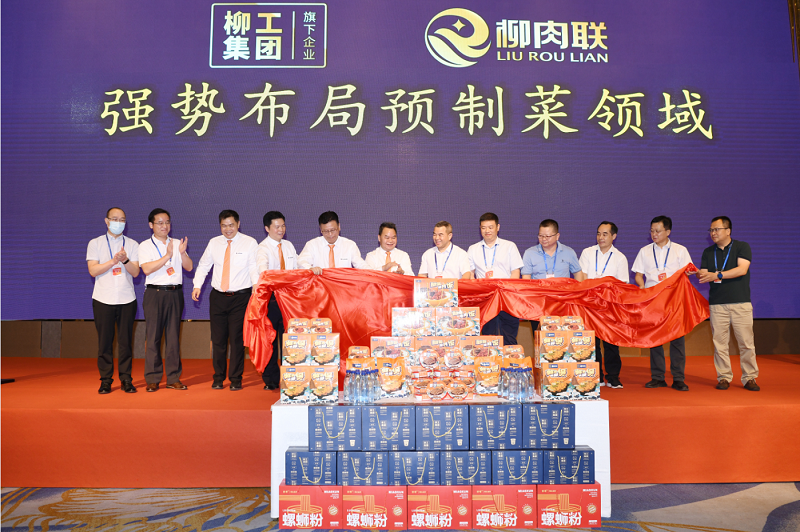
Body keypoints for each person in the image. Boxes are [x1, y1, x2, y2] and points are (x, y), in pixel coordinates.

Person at [193, 210, 260, 391]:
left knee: (237, 340)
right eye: (224, 225)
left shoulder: (250, 242)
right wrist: (197, 285)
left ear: (238, 224)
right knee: (218, 340)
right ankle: (218, 377)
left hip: (240, 297)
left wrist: (256, 285)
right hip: (218, 297)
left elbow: (254, 267)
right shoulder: (214, 243)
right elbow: (204, 265)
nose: (228, 229)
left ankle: (236, 378)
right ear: (220, 226)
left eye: (231, 225)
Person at [695, 216, 759, 391]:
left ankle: (749, 377)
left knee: (746, 343)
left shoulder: (741, 246)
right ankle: (723, 377)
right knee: (720, 344)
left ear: (728, 231)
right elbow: (705, 274)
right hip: (717, 304)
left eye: (716, 229)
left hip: (740, 303)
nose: (713, 233)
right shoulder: (708, 252)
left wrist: (718, 275)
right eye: (711, 230)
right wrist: (697, 273)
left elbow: (742, 269)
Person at [632, 215, 694, 392]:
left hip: (674, 300)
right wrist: (641, 286)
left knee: (677, 339)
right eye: (652, 230)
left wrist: (690, 272)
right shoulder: (644, 251)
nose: (654, 234)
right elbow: (638, 274)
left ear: (668, 231)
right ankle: (658, 377)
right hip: (653, 301)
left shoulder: (680, 250)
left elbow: (687, 272)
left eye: (658, 231)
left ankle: (678, 379)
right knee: (655, 340)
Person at [86, 207, 140, 394]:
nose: (119, 223)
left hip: (127, 299)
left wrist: (125, 260)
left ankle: (126, 379)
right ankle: (106, 380)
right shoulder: (95, 243)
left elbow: (136, 272)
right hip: (103, 299)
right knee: (105, 343)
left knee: (125, 343)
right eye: (115, 219)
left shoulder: (132, 244)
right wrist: (113, 261)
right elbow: (93, 270)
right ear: (107, 221)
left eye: (122, 219)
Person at [139, 208, 192, 392]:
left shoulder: (177, 243)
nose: (164, 226)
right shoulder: (145, 245)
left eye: (167, 222)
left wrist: (182, 253)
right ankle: (152, 379)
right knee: (153, 337)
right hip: (155, 294)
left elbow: (189, 267)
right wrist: (168, 256)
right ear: (151, 225)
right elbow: (146, 269)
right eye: (160, 223)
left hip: (175, 293)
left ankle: (173, 378)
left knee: (173, 337)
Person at [578, 221, 630, 389]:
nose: (601, 237)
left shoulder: (620, 258)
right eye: (599, 233)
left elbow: (622, 285)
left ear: (614, 236)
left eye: (605, 234)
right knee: (592, 342)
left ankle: (613, 376)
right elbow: (582, 277)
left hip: (610, 306)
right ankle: (596, 375)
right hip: (590, 304)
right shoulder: (587, 252)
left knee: (611, 342)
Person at [256, 211, 298, 390]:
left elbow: (297, 269)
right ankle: (271, 379)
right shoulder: (263, 248)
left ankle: (291, 377)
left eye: (283, 226)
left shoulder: (289, 246)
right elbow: (263, 272)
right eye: (277, 226)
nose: (281, 229)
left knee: (289, 339)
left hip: (289, 299)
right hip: (272, 299)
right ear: (267, 228)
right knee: (271, 339)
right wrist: (282, 279)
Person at [467, 213, 523, 345]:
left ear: (498, 227)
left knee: (509, 335)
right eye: (483, 228)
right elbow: (470, 273)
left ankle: (509, 357)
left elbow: (516, 271)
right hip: (486, 299)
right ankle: (491, 358)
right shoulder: (473, 249)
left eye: (490, 227)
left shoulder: (509, 246)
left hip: (507, 298)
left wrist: (509, 291)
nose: (487, 231)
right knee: (488, 336)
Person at [521, 219, 583, 330]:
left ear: (557, 236)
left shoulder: (569, 252)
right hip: (539, 304)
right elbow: (526, 278)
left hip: (563, 303)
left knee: (562, 336)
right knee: (540, 336)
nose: (543, 239)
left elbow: (578, 273)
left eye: (547, 236)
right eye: (540, 236)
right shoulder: (529, 253)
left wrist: (576, 295)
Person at [298, 211, 367, 274]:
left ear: (339, 226)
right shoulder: (312, 245)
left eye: (333, 230)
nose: (330, 234)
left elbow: (360, 264)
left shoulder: (349, 245)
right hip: (320, 283)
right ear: (320, 230)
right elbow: (301, 261)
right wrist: (310, 268)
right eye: (326, 231)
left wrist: (372, 273)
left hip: (342, 282)